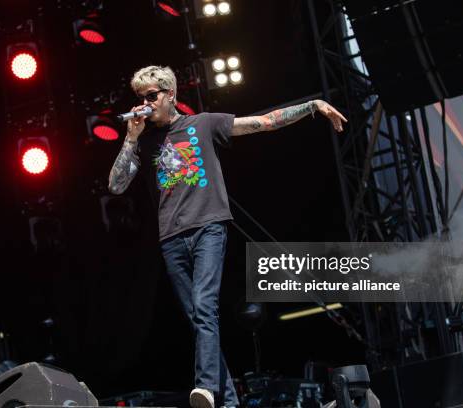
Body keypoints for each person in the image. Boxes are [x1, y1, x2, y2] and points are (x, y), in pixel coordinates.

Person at [108, 65, 347, 408]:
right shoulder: (144, 142)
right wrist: (130, 137)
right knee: (196, 320)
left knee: (205, 306)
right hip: (171, 238)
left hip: (208, 228)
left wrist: (311, 106)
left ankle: (206, 387)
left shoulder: (202, 124)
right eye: (140, 98)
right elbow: (116, 186)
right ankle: (230, 403)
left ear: (170, 94)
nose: (145, 103)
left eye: (151, 96)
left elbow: (262, 122)